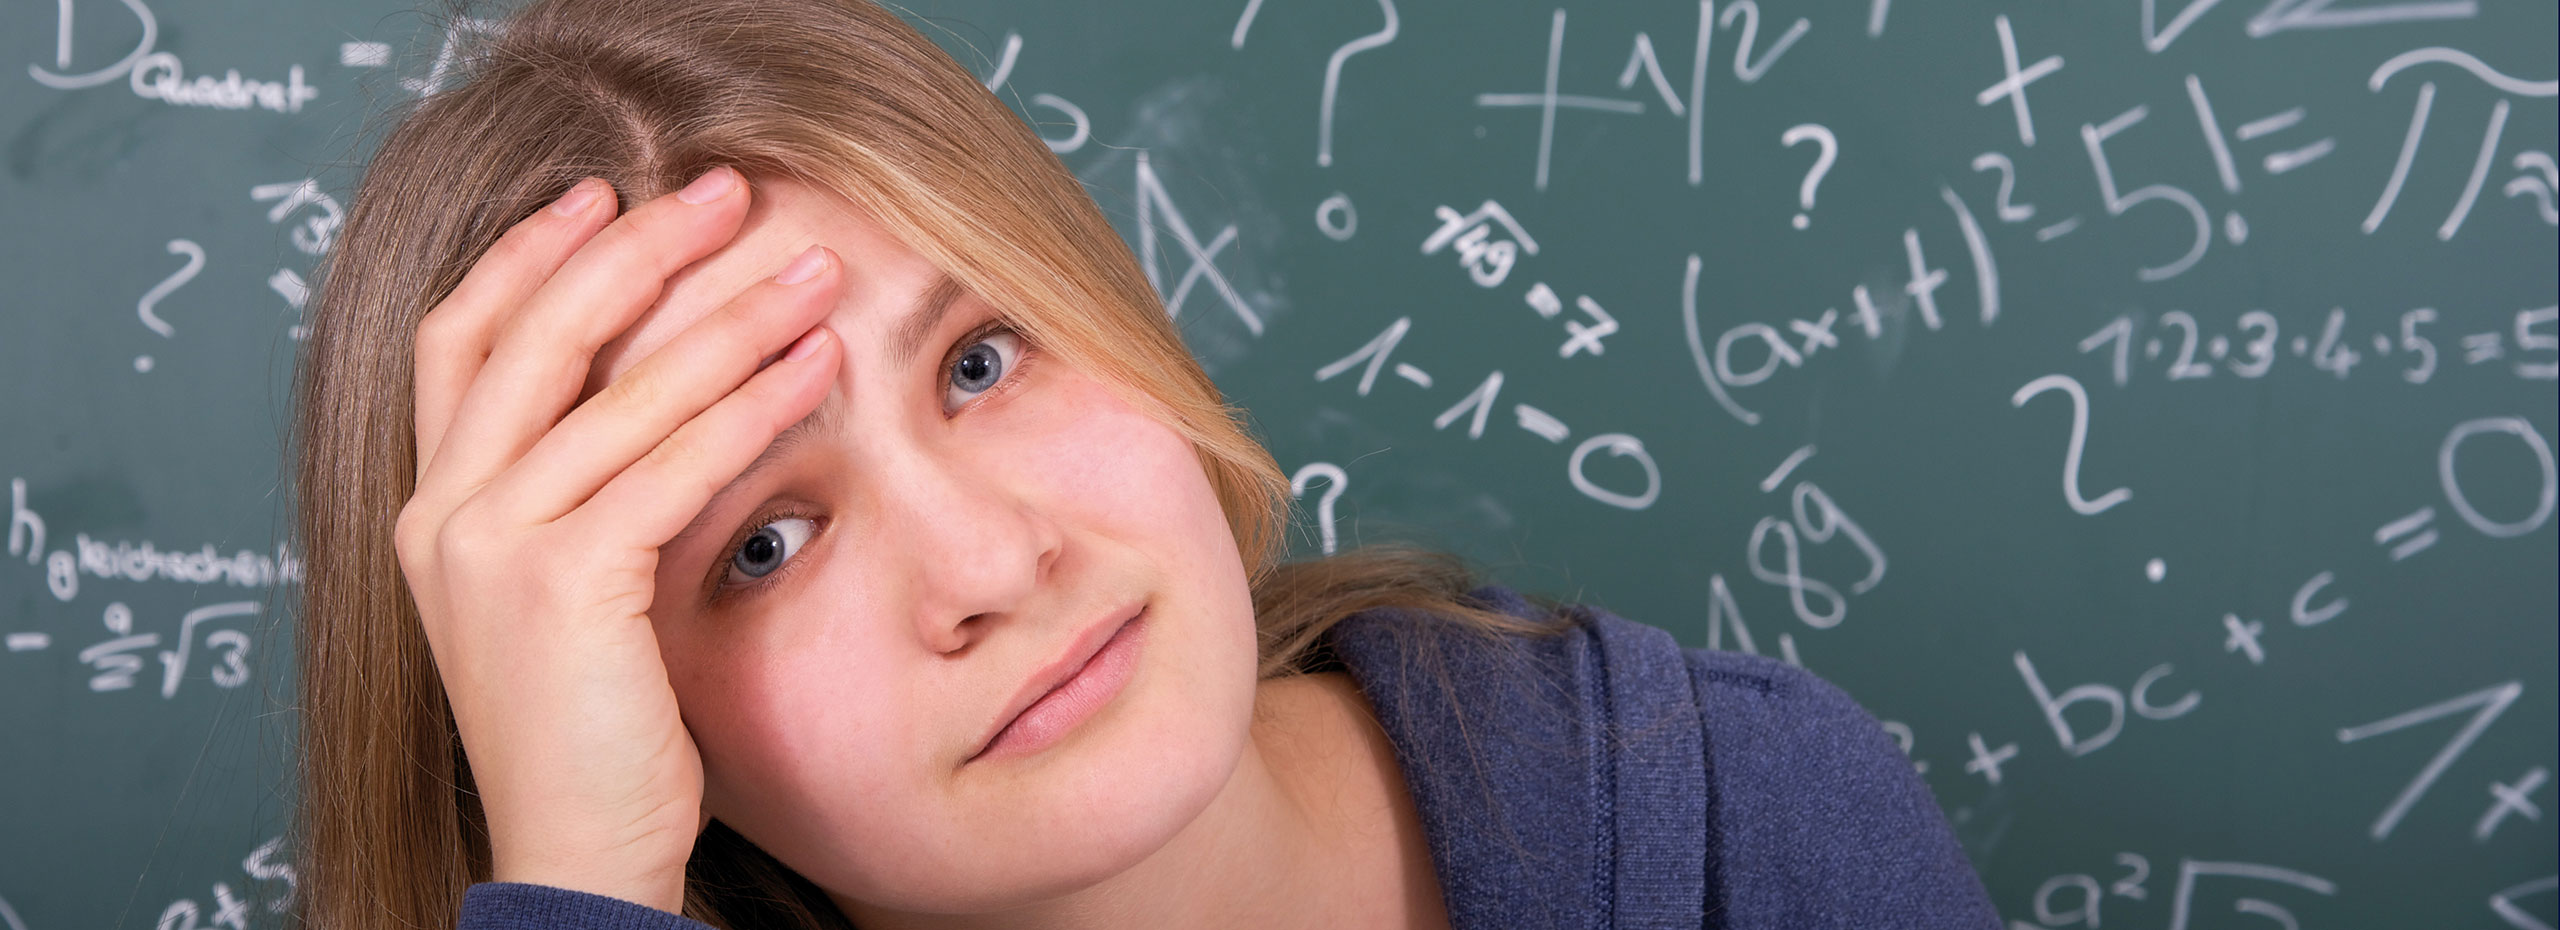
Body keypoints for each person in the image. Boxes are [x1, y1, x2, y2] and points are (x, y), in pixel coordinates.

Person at [286, 0, 2002, 927]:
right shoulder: (596, 858)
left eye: (979, 359)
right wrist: (583, 880)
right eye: (763, 542)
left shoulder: (1748, 831)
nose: (988, 564)